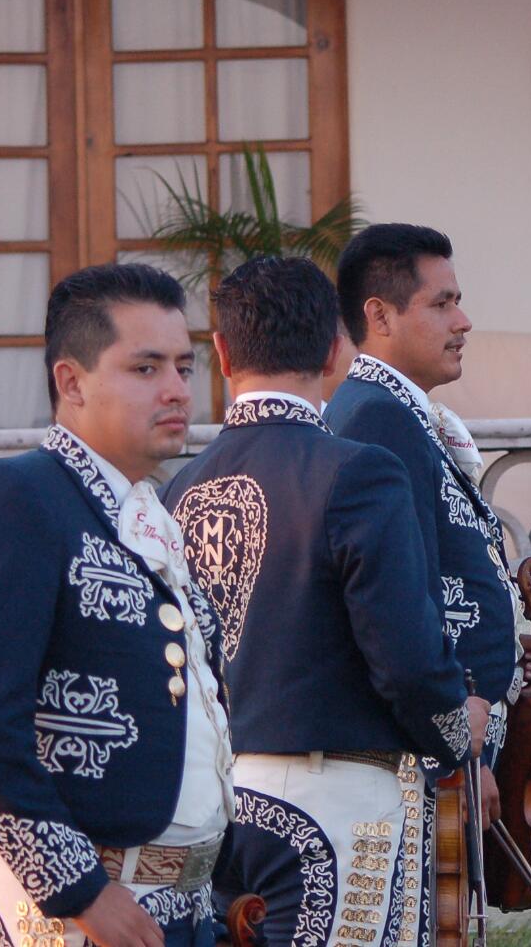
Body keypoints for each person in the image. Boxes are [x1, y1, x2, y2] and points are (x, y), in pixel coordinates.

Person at [163, 256, 484, 947]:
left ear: (222, 353)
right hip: (330, 798)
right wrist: (458, 736)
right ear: (339, 349)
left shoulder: (178, 490)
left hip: (209, 795)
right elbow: (406, 656)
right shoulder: (358, 471)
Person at [0, 263, 232, 947]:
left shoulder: (150, 513)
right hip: (81, 910)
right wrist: (81, 891)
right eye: (146, 368)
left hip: (184, 903)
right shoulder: (15, 497)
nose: (177, 389)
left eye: (184, 367)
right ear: (71, 382)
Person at [325, 224, 531, 822]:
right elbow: (401, 604)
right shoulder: (378, 418)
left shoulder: (401, 412)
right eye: (442, 303)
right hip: (433, 752)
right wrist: (455, 753)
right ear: (380, 315)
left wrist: (509, 657)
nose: (463, 321)